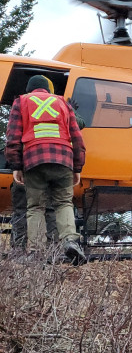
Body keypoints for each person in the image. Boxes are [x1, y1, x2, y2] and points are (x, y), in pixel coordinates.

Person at [5, 75, 87, 265]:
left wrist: (16, 165)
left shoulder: (21, 101)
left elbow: (12, 135)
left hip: (34, 159)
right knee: (64, 203)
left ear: (29, 89)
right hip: (63, 159)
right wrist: (77, 166)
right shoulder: (63, 103)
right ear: (48, 90)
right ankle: (70, 241)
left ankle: (35, 251)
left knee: (35, 207)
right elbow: (76, 136)